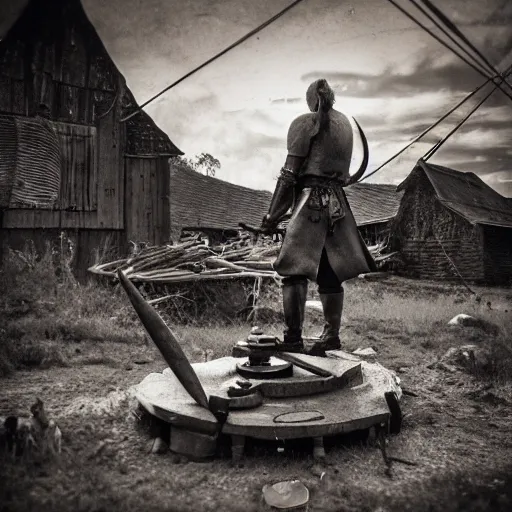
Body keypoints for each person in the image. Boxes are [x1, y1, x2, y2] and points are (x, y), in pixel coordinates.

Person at [261, 78, 377, 355]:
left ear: (312, 98)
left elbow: (290, 174)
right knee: (330, 273)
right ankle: (330, 337)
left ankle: (292, 339)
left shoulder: (304, 122)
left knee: (293, 272)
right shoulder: (345, 126)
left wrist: (272, 215)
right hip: (337, 203)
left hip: (309, 203)